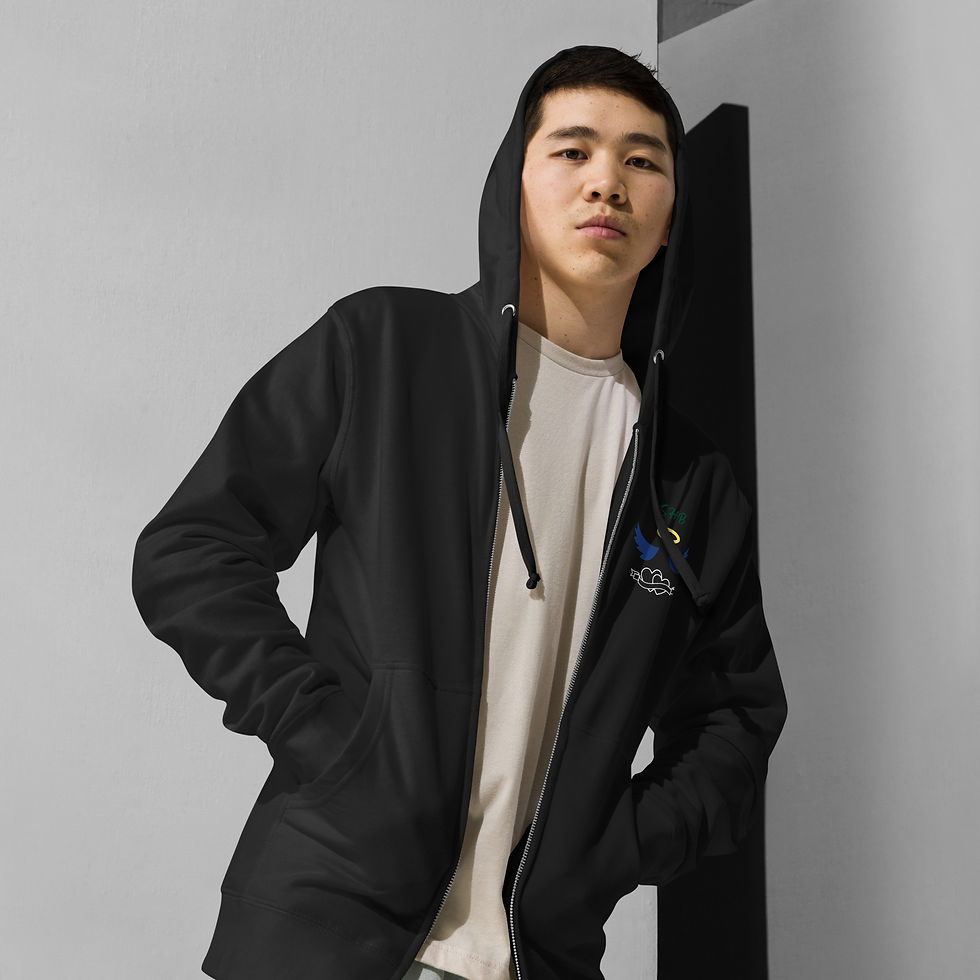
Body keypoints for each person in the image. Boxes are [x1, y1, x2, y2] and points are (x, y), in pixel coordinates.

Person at [132, 44, 787, 980]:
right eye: (573, 151)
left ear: (670, 215)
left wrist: (617, 846)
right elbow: (192, 548)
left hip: (538, 959)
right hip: (321, 937)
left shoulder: (693, 480)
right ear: (513, 180)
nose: (607, 182)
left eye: (642, 161)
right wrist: (327, 736)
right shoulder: (385, 349)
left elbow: (738, 714)